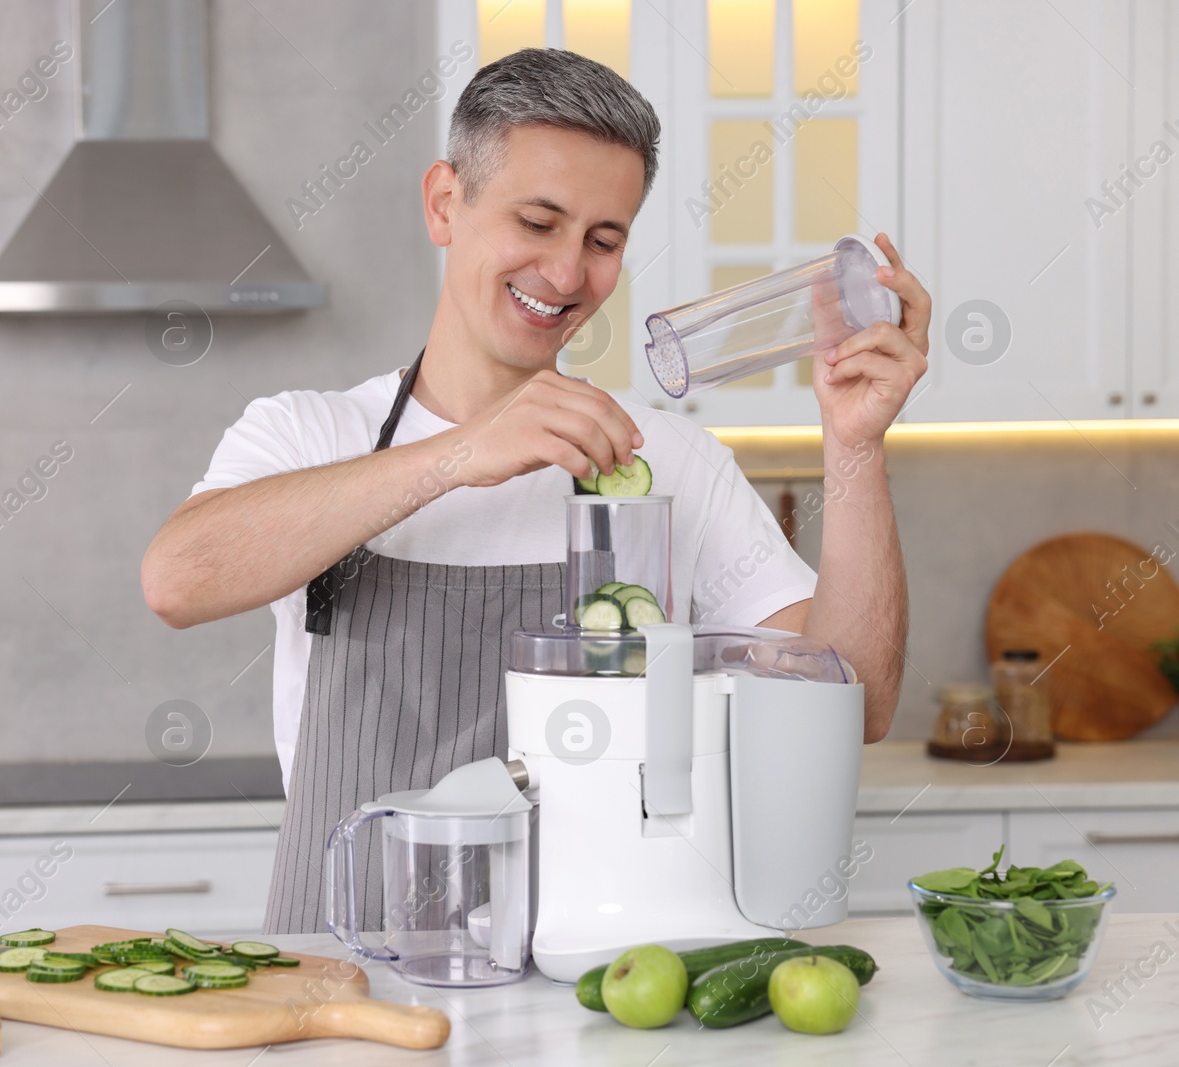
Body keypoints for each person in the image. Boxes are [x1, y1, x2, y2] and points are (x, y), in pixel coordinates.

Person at [143, 48, 930, 935]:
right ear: (446, 202)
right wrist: (455, 456)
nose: (565, 275)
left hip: (595, 988)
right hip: (343, 980)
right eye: (538, 221)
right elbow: (179, 579)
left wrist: (855, 448)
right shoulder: (310, 434)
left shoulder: (665, 460)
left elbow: (852, 701)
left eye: (604, 240)